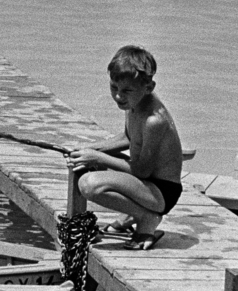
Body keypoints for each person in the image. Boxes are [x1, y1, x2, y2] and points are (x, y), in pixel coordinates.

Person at [66, 46, 185, 250]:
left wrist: (98, 157)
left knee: (89, 184)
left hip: (161, 191)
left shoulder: (154, 120)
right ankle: (131, 215)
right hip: (144, 182)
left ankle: (146, 217)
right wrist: (89, 149)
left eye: (126, 90)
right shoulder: (133, 103)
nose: (119, 96)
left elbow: (141, 170)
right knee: (84, 162)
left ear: (148, 87)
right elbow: (128, 137)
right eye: (114, 88)